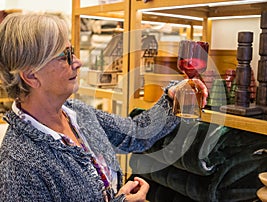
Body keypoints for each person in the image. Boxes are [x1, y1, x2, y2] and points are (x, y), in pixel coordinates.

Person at [0, 13, 208, 201]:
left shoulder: (76, 113)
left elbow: (135, 133)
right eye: (65, 56)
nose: (78, 62)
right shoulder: (19, 164)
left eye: (72, 52)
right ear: (31, 76)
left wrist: (173, 97)